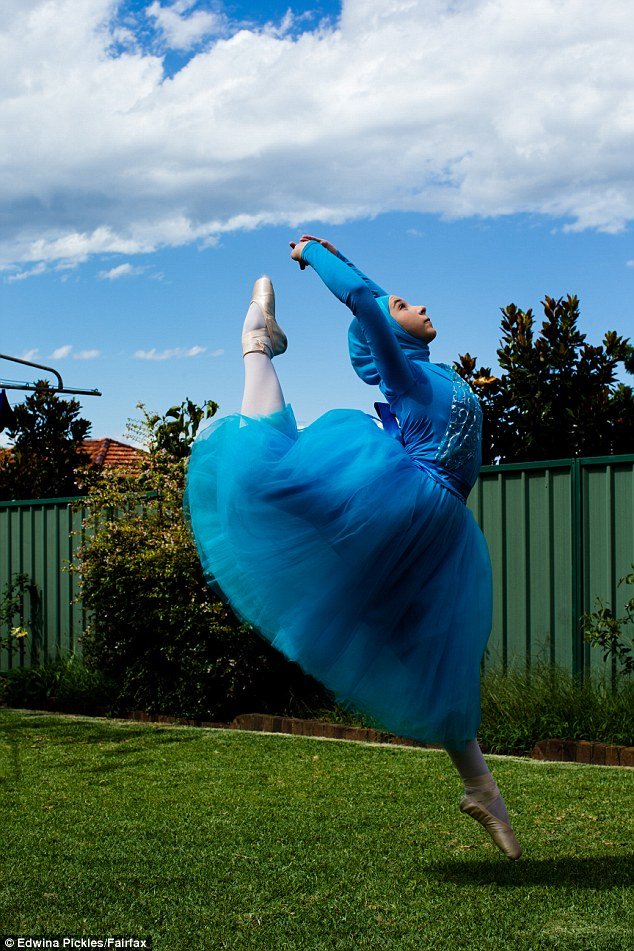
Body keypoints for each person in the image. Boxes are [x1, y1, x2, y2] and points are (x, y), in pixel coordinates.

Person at [184, 236, 522, 860]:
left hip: (437, 524)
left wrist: (341, 260)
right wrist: (316, 256)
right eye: (404, 303)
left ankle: (481, 788)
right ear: (387, 332)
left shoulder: (426, 371)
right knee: (269, 476)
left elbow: (375, 300)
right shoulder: (407, 374)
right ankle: (255, 346)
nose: (417, 304)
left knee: (427, 652)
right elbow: (367, 301)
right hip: (405, 500)